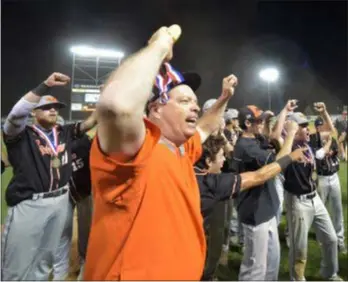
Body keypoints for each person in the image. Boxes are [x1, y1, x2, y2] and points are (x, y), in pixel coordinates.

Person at [84, 25, 239, 280]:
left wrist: (223, 98)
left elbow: (207, 126)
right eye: (184, 102)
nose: (195, 108)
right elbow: (117, 105)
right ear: (155, 109)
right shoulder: (135, 152)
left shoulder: (181, 148)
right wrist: (158, 45)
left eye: (196, 103)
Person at [1, 72, 97, 281]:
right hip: (30, 204)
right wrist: (45, 86)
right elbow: (16, 114)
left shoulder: (63, 132)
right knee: (16, 265)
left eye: (56, 107)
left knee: (44, 263)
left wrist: (108, 100)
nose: (53, 110)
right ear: (34, 112)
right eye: (46, 107)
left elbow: (90, 123)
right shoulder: (20, 134)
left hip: (61, 201)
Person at [196, 134, 307, 280]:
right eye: (222, 156)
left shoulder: (188, 171)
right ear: (209, 161)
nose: (225, 160)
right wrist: (290, 156)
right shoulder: (213, 183)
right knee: (255, 268)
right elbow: (258, 177)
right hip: (189, 251)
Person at [231, 105, 299, 281]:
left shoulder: (253, 139)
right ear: (247, 123)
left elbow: (272, 137)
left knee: (272, 261)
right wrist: (291, 134)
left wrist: (282, 112)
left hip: (265, 207)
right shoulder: (246, 147)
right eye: (258, 120)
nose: (261, 123)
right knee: (255, 267)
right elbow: (278, 162)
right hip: (254, 211)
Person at [283, 103, 342, 281]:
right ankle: (297, 279)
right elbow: (278, 141)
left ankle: (329, 273)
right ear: (292, 129)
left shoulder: (308, 145)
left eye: (306, 126)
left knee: (331, 239)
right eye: (302, 127)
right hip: (297, 201)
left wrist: (324, 112)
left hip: (314, 198)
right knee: (299, 247)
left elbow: (332, 133)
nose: (307, 130)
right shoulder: (286, 147)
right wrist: (286, 119)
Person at [311, 117, 346, 254]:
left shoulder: (332, 139)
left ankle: (340, 240)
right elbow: (320, 155)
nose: (321, 128)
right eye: (319, 126)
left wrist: (336, 147)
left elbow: (337, 152)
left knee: (337, 210)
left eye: (323, 125)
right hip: (322, 178)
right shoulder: (314, 139)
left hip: (334, 177)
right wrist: (329, 144)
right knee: (320, 210)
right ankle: (322, 238)